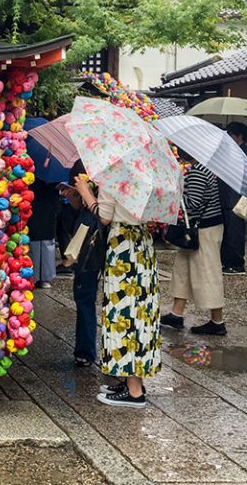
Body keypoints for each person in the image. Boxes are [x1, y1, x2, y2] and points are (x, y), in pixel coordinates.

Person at [74, 172, 160, 409]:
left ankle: (133, 392)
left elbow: (103, 216)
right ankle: (133, 382)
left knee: (124, 314)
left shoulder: (115, 174)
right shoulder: (148, 173)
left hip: (122, 246)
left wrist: (85, 192)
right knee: (140, 313)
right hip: (142, 244)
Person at [161, 150, 227, 335]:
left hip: (204, 230)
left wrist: (175, 192)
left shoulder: (198, 172)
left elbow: (192, 203)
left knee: (208, 273)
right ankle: (176, 313)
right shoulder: (204, 168)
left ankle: (217, 321)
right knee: (183, 270)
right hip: (204, 228)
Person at [59, 161, 103, 367]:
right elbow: (80, 210)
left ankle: (88, 350)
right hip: (87, 231)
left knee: (87, 293)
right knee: (84, 293)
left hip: (99, 235)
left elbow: (104, 215)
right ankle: (85, 349)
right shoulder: (80, 164)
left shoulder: (111, 167)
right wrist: (73, 195)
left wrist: (87, 195)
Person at [220, 123, 247, 275]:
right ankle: (227, 262)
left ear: (238, 136)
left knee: (236, 232)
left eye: (231, 134)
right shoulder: (229, 150)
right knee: (226, 232)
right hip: (226, 194)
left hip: (237, 194)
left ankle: (237, 263)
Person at [30, 179, 60, 288]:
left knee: (45, 240)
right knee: (36, 240)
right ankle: (37, 276)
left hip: (47, 203)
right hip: (35, 203)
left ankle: (43, 277)